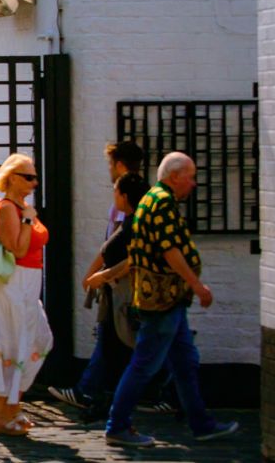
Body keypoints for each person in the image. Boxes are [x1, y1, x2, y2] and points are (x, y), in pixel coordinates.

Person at [104, 153, 238, 447]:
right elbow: (169, 250)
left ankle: (201, 423)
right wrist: (197, 285)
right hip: (162, 300)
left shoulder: (152, 199)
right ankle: (117, 425)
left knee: (184, 363)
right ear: (174, 176)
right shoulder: (162, 203)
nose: (193, 182)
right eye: (190, 176)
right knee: (144, 364)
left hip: (167, 299)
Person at [49, 174, 159, 418]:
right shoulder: (131, 221)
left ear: (126, 196)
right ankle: (103, 402)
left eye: (116, 192)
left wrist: (103, 275)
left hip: (125, 297)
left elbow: (133, 260)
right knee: (114, 346)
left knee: (129, 349)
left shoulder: (136, 224)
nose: (114, 197)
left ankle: (116, 405)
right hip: (116, 297)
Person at [0, 153, 53, 437]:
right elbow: (16, 249)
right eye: (28, 177)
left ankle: (11, 407)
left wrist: (28, 216)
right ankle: (3, 413)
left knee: (37, 339)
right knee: (12, 343)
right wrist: (28, 222)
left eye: (35, 177)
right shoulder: (7, 208)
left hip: (27, 283)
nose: (34, 182)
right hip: (10, 282)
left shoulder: (22, 207)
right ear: (12, 178)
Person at [105, 141, 145, 237]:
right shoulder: (141, 190)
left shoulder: (124, 195)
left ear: (119, 166)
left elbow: (119, 234)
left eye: (110, 163)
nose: (109, 168)